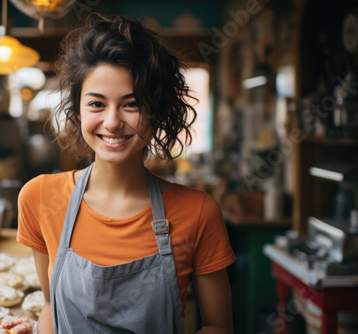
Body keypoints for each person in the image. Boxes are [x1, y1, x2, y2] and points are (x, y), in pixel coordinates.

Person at [17, 13, 235, 334]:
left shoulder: (199, 212)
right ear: (77, 110)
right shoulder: (39, 197)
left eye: (131, 104)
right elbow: (51, 306)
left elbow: (218, 326)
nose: (112, 122)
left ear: (155, 111)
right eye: (96, 104)